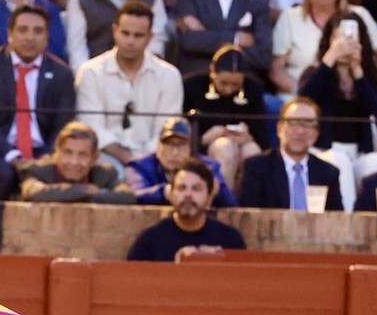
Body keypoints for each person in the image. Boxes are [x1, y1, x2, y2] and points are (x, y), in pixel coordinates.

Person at [73, 0, 182, 168]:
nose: (130, 41)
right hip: (103, 157)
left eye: (138, 35)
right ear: (115, 31)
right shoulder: (90, 72)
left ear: (150, 38)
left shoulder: (169, 75)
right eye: (125, 33)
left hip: (156, 158)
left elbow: (166, 129)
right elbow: (91, 127)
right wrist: (128, 158)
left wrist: (143, 161)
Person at [297, 11, 377, 208]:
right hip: (325, 149)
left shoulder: (367, 77)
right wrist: (330, 58)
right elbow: (304, 101)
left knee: (376, 162)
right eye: (338, 37)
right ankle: (347, 224)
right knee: (340, 162)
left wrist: (357, 70)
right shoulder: (316, 73)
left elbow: (375, 110)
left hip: (359, 151)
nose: (344, 44)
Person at [0, 2, 77, 164]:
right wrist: (12, 157)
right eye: (23, 30)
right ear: (10, 34)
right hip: (0, 153)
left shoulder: (62, 73)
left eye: (38, 31)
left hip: (45, 155)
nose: (30, 37)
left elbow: (62, 125)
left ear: (47, 36)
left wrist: (46, 159)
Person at [271, 0, 377, 96]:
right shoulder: (289, 18)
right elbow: (276, 71)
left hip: (353, 97)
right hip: (300, 97)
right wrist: (303, 93)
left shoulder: (360, 15)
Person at [184, 45, 270, 190]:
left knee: (252, 151)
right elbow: (183, 130)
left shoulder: (253, 88)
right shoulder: (192, 86)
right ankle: (225, 204)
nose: (229, 89)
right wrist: (204, 138)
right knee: (225, 147)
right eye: (223, 83)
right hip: (204, 146)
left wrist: (249, 137)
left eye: (236, 84)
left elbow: (262, 138)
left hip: (241, 144)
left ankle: (247, 205)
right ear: (212, 72)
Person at [126, 158, 246, 261]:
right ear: (170, 195)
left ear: (209, 198)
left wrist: (218, 260)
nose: (188, 194)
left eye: (196, 189)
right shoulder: (150, 241)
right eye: (182, 188)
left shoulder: (230, 239)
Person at [238, 96, 345, 211]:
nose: (300, 131)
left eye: (308, 124)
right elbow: (247, 217)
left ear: (316, 133)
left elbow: (336, 219)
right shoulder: (256, 167)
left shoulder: (328, 173)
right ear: (279, 128)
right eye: (293, 122)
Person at [125, 117, 237, 207]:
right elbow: (135, 195)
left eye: (181, 145)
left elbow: (231, 203)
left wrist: (215, 188)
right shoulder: (139, 166)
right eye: (169, 144)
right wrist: (167, 192)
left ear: (191, 149)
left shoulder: (208, 167)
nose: (174, 153)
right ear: (158, 147)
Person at [18, 121, 136, 202]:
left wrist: (88, 195)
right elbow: (35, 192)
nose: (74, 162)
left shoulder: (104, 174)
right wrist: (85, 190)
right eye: (68, 153)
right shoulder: (38, 170)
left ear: (94, 158)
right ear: (56, 153)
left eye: (83, 155)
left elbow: (127, 196)